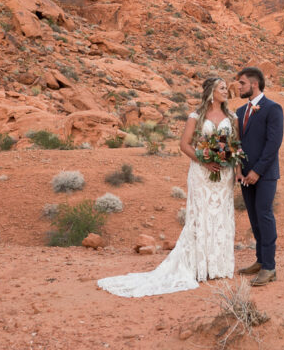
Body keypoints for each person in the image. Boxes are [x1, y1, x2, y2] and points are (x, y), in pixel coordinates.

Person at [97, 77, 236, 297]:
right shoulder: (196, 117)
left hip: (224, 174)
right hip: (201, 173)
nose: (226, 91)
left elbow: (235, 144)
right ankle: (199, 266)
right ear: (211, 92)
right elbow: (184, 144)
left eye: (226, 88)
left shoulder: (232, 117)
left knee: (220, 216)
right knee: (201, 216)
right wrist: (204, 159)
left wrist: (227, 159)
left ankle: (218, 266)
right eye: (222, 88)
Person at [235, 66, 283, 286]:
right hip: (244, 175)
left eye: (242, 83)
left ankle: (270, 267)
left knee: (264, 216)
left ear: (254, 84)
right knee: (254, 218)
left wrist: (257, 171)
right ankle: (260, 260)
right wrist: (240, 170)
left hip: (264, 175)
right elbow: (236, 143)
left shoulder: (273, 108)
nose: (239, 87)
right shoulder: (239, 112)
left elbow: (273, 144)